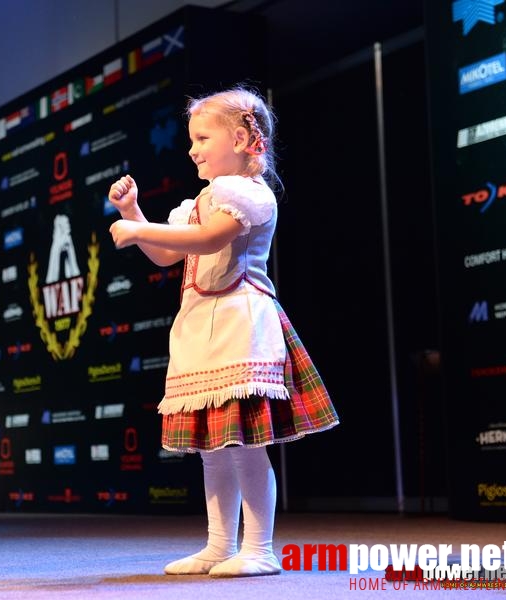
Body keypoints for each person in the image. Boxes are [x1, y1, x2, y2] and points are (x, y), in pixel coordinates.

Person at [108, 87, 338, 578]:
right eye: (192, 139)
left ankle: (259, 548)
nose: (193, 148)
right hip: (198, 326)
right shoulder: (199, 201)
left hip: (241, 323)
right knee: (214, 445)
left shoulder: (248, 194)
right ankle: (218, 544)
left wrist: (140, 230)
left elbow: (209, 238)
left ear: (239, 138)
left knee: (246, 443)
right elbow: (171, 253)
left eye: (202, 137)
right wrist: (134, 216)